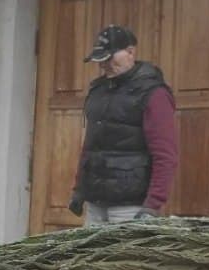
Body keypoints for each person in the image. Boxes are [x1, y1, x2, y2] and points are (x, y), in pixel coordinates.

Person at [68, 25, 179, 224]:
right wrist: (79, 189)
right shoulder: (97, 91)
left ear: (130, 52)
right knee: (90, 256)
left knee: (122, 256)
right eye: (100, 60)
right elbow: (90, 146)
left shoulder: (154, 93)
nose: (104, 65)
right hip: (95, 203)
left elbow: (165, 153)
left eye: (110, 58)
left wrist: (153, 204)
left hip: (131, 207)